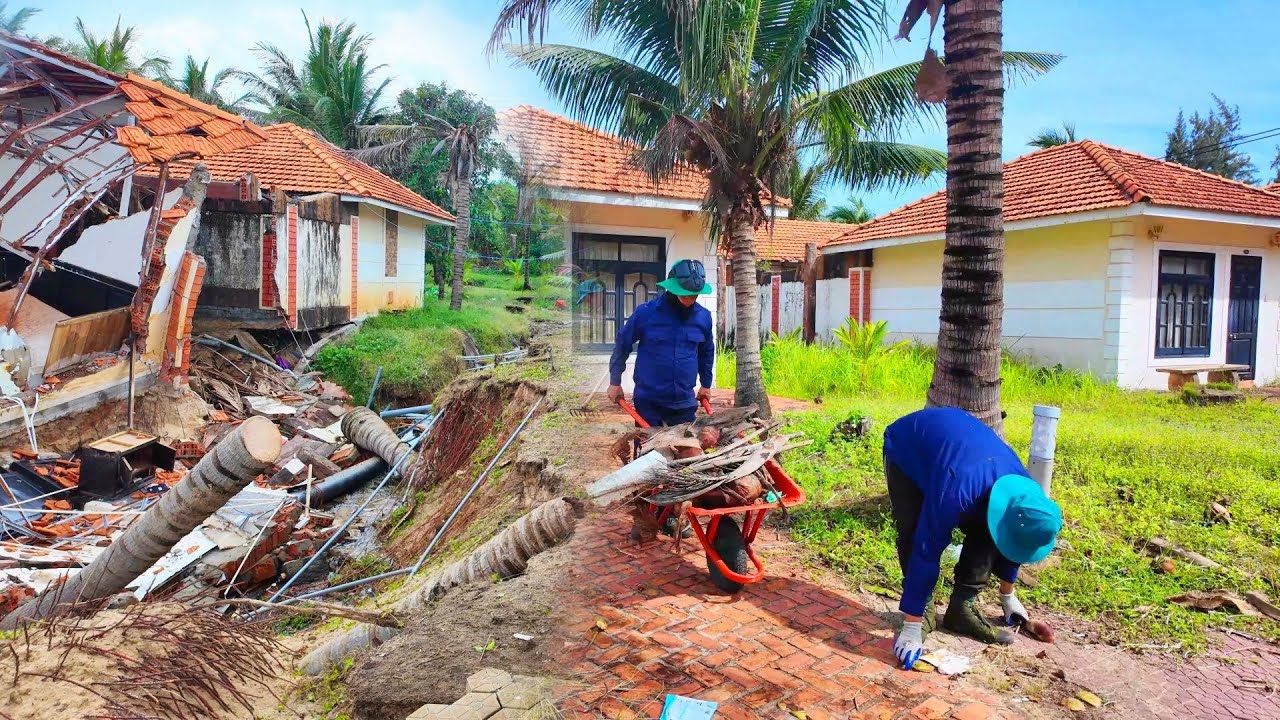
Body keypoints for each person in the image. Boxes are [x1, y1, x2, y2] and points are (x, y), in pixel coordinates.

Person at [885, 407, 1063, 670]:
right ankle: (922, 612)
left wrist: (1008, 596)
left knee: (989, 532)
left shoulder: (1027, 493)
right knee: (913, 533)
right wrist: (911, 625)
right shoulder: (956, 492)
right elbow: (926, 547)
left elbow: (1014, 541)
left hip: (965, 455)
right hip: (910, 447)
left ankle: (962, 610)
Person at [606, 259, 715, 427]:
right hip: (649, 400)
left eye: (694, 294)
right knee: (650, 451)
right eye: (685, 293)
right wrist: (615, 382)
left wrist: (706, 384)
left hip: (684, 401)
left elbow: (706, 352)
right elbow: (623, 344)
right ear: (671, 287)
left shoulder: (703, 317)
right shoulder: (646, 313)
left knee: (690, 450)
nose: (691, 298)